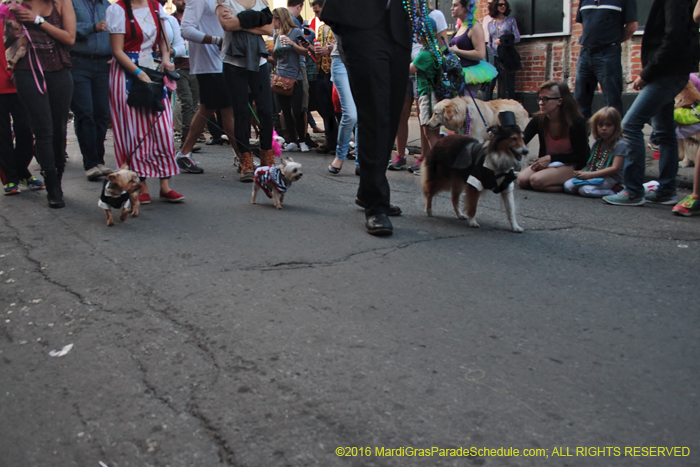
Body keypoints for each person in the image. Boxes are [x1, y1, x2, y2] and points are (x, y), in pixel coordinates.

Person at [321, 0, 410, 235]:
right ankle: (375, 203)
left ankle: (368, 190)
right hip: (361, 23)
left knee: (390, 113)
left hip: (399, 27)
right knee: (375, 113)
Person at [603, 0, 700, 206]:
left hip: (667, 73)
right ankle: (666, 190)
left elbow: (674, 37)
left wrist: (647, 74)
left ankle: (633, 191)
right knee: (665, 132)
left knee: (630, 125)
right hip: (670, 71)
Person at [106, 0, 184, 204]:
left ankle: (165, 185)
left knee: (163, 128)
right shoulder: (118, 10)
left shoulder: (155, 6)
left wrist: (166, 58)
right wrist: (138, 72)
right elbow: (117, 50)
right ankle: (139, 184)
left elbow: (163, 42)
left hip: (151, 68)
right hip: (127, 73)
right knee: (133, 130)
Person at [12, 0, 76, 208]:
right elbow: (8, 44)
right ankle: (52, 187)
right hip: (27, 69)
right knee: (43, 130)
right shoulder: (17, 5)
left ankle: (57, 178)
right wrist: (10, 25)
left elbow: (69, 38)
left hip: (58, 68)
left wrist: (37, 21)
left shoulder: (61, 3)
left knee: (59, 129)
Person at [178, 0, 239, 176]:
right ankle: (244, 157)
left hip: (222, 61)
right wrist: (217, 40)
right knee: (226, 109)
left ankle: (184, 153)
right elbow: (186, 30)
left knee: (209, 108)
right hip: (209, 63)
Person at [216, 0, 275, 181]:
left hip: (259, 61)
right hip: (233, 62)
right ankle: (246, 160)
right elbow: (227, 25)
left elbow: (269, 30)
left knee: (266, 109)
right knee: (241, 111)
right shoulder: (224, 3)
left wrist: (241, 24)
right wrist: (257, 21)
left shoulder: (261, 2)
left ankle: (267, 157)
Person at [517, 81, 589, 192]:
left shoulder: (576, 122)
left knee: (536, 181)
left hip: (571, 165)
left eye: (546, 99)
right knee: (522, 180)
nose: (541, 103)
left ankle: (568, 185)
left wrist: (552, 158)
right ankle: (557, 182)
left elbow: (582, 156)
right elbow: (522, 141)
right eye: (539, 99)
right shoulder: (538, 120)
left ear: (559, 101)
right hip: (547, 163)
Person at [70, 0, 113, 181]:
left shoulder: (108, 6)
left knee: (102, 114)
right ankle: (90, 163)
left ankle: (99, 160)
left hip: (104, 64)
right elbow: (68, 29)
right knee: (85, 113)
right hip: (79, 62)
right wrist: (93, 27)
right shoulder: (72, 3)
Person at [574, 0, 637, 119]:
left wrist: (613, 42)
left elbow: (632, 26)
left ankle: (615, 137)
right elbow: (585, 24)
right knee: (580, 102)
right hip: (585, 54)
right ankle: (580, 136)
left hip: (608, 53)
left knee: (612, 101)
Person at [0, 20, 41, 196]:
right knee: (3, 135)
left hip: (20, 82)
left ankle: (21, 170)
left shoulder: (15, 17)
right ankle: (11, 177)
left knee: (25, 130)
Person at [563, 107, 626, 197]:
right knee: (568, 186)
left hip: (611, 178)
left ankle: (616, 191)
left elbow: (615, 168)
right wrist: (582, 171)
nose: (604, 128)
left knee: (585, 190)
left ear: (616, 127)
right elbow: (591, 163)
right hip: (594, 174)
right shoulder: (597, 143)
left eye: (609, 125)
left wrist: (590, 175)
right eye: (600, 125)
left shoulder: (619, 144)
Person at [271, 8, 309, 153]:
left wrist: (292, 44)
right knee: (285, 110)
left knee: (297, 110)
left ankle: (303, 140)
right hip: (280, 76)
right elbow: (276, 58)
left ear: (279, 19)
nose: (272, 22)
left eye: (273, 19)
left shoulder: (296, 32)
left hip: (294, 77)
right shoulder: (276, 34)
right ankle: (292, 140)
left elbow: (306, 51)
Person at [171, 0, 202, 156]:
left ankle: (191, 139)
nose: (183, 2)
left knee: (196, 104)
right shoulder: (171, 20)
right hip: (179, 66)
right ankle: (186, 139)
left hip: (196, 66)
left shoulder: (196, 19)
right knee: (187, 102)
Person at [449, 0, 497, 95]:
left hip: (470, 73)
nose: (451, 8)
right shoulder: (461, 26)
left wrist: (457, 51)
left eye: (455, 5)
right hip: (459, 72)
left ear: (465, 7)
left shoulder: (474, 27)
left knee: (466, 106)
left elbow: (480, 54)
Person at [487, 0, 520, 99]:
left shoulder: (511, 21)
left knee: (508, 83)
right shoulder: (490, 23)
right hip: (494, 56)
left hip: (506, 56)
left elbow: (517, 38)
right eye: (500, 4)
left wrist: (503, 42)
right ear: (495, 6)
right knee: (490, 83)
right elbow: (489, 40)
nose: (503, 6)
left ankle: (510, 106)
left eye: (504, 4)